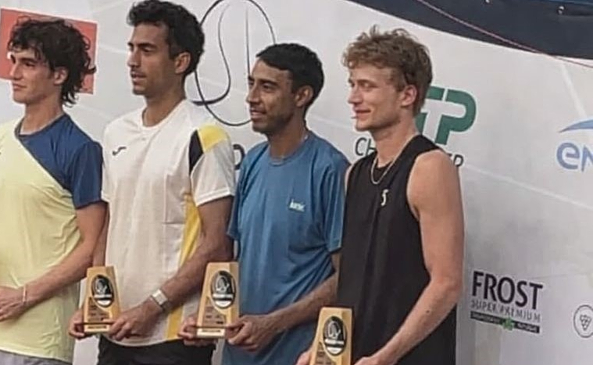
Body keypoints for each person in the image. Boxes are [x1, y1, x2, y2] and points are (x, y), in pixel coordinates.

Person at [68, 1, 235, 364]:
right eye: (131, 48)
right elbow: (110, 224)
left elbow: (217, 244)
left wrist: (153, 306)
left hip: (172, 337)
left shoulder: (203, 136)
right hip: (115, 331)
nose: (132, 61)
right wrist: (93, 300)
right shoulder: (116, 131)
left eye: (147, 50)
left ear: (180, 61)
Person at [0, 18, 105, 365]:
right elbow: (2, 226)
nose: (14, 73)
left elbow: (91, 249)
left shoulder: (81, 150)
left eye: (28, 64)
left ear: (59, 75)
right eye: (13, 61)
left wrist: (24, 296)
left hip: (38, 339)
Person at [295, 26, 464, 365]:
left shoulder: (430, 167)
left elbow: (446, 282)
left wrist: (386, 356)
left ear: (407, 95)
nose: (353, 98)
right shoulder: (355, 173)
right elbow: (353, 281)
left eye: (367, 86)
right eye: (352, 85)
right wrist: (321, 348)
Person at [179, 43, 348, 365]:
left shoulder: (329, 169)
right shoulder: (253, 161)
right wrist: (209, 319)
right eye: (251, 83)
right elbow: (240, 259)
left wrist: (274, 324)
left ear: (302, 96)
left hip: (296, 356)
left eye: (267, 87)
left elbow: (348, 279)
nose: (251, 97)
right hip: (237, 356)